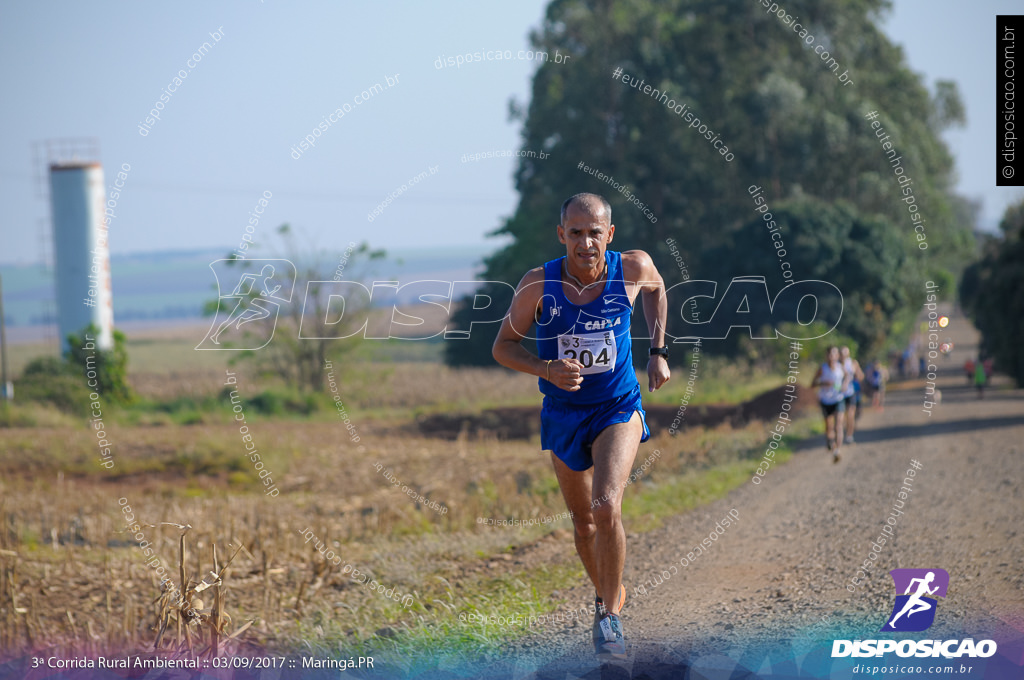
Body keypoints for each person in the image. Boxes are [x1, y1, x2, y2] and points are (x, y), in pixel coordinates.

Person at [492, 193, 670, 659]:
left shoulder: (632, 268)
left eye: (595, 233)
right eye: (576, 233)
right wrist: (546, 368)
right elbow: (504, 347)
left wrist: (657, 351)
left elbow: (657, 289)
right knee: (584, 523)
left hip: (617, 407)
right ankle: (608, 592)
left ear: (609, 234)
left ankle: (609, 617)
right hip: (563, 413)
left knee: (606, 505)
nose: (585, 242)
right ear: (561, 235)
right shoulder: (538, 285)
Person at [811, 346, 847, 463]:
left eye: (834, 354)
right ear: (826, 356)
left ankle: (837, 451)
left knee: (838, 425)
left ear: (837, 356)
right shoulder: (822, 369)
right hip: (825, 401)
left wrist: (845, 384)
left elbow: (847, 376)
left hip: (838, 399)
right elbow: (812, 384)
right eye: (829, 354)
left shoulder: (841, 367)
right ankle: (829, 440)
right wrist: (823, 383)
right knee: (829, 427)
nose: (832, 357)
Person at [840, 347, 864, 444]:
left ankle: (849, 436)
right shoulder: (836, 364)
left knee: (850, 415)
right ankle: (841, 433)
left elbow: (861, 377)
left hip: (850, 393)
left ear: (848, 354)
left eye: (845, 353)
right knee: (841, 417)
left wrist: (857, 372)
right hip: (839, 395)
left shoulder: (853, 363)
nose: (843, 355)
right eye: (842, 353)